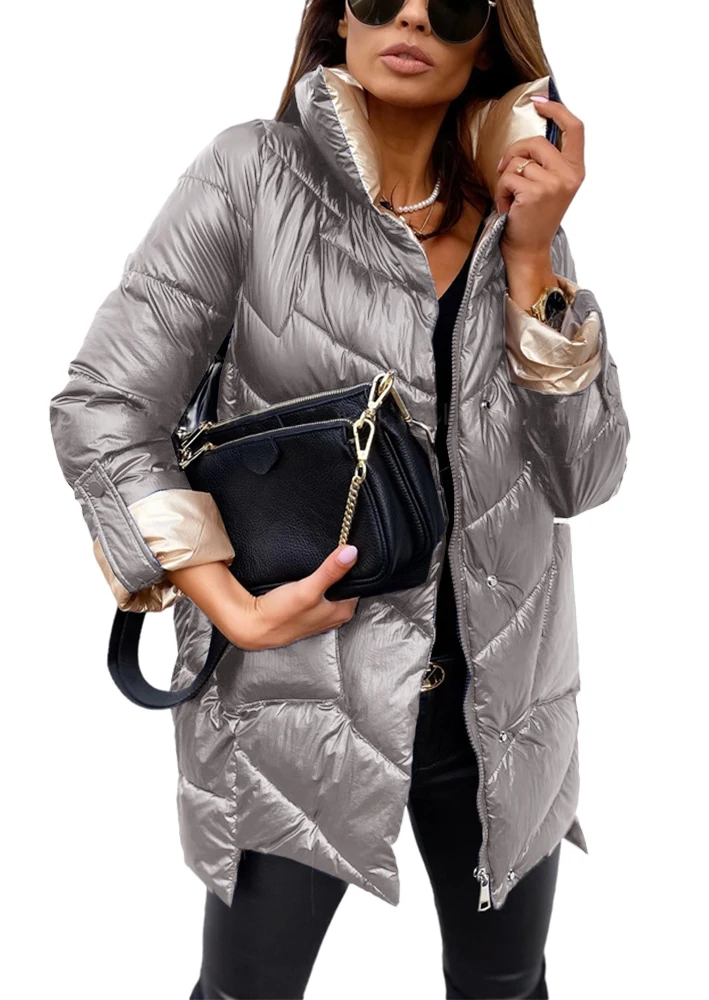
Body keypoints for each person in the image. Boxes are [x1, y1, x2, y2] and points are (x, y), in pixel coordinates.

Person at [49, 1, 630, 997]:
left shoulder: (519, 221)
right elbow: (105, 406)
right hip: (296, 692)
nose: (412, 15)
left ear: (487, 42)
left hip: (503, 703)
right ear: (338, 20)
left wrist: (535, 261)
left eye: (450, 4)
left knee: (506, 985)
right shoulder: (251, 175)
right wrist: (229, 604)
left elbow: (586, 477)